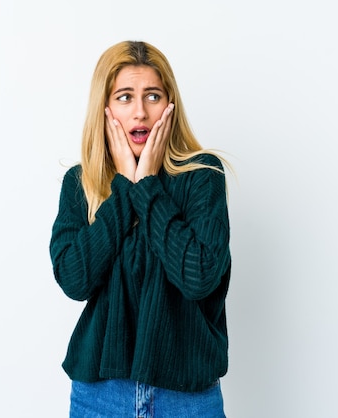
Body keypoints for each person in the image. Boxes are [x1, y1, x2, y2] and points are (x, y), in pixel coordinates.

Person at [49, 40, 232, 417]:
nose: (140, 112)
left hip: (188, 399)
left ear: (169, 105)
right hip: (99, 397)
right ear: (105, 108)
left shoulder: (202, 176)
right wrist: (124, 191)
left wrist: (146, 186)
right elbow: (74, 279)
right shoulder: (80, 184)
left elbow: (198, 277)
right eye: (124, 97)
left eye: (152, 96)